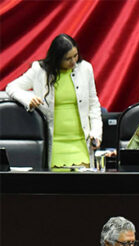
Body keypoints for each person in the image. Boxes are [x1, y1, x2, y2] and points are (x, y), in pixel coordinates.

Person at [6, 33, 102, 170]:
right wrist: (29, 99)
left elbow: (94, 104)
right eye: (68, 59)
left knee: (82, 187)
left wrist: (96, 133)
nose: (74, 61)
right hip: (54, 143)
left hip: (81, 143)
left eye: (75, 55)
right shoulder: (39, 70)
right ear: (56, 58)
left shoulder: (86, 68)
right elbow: (12, 87)